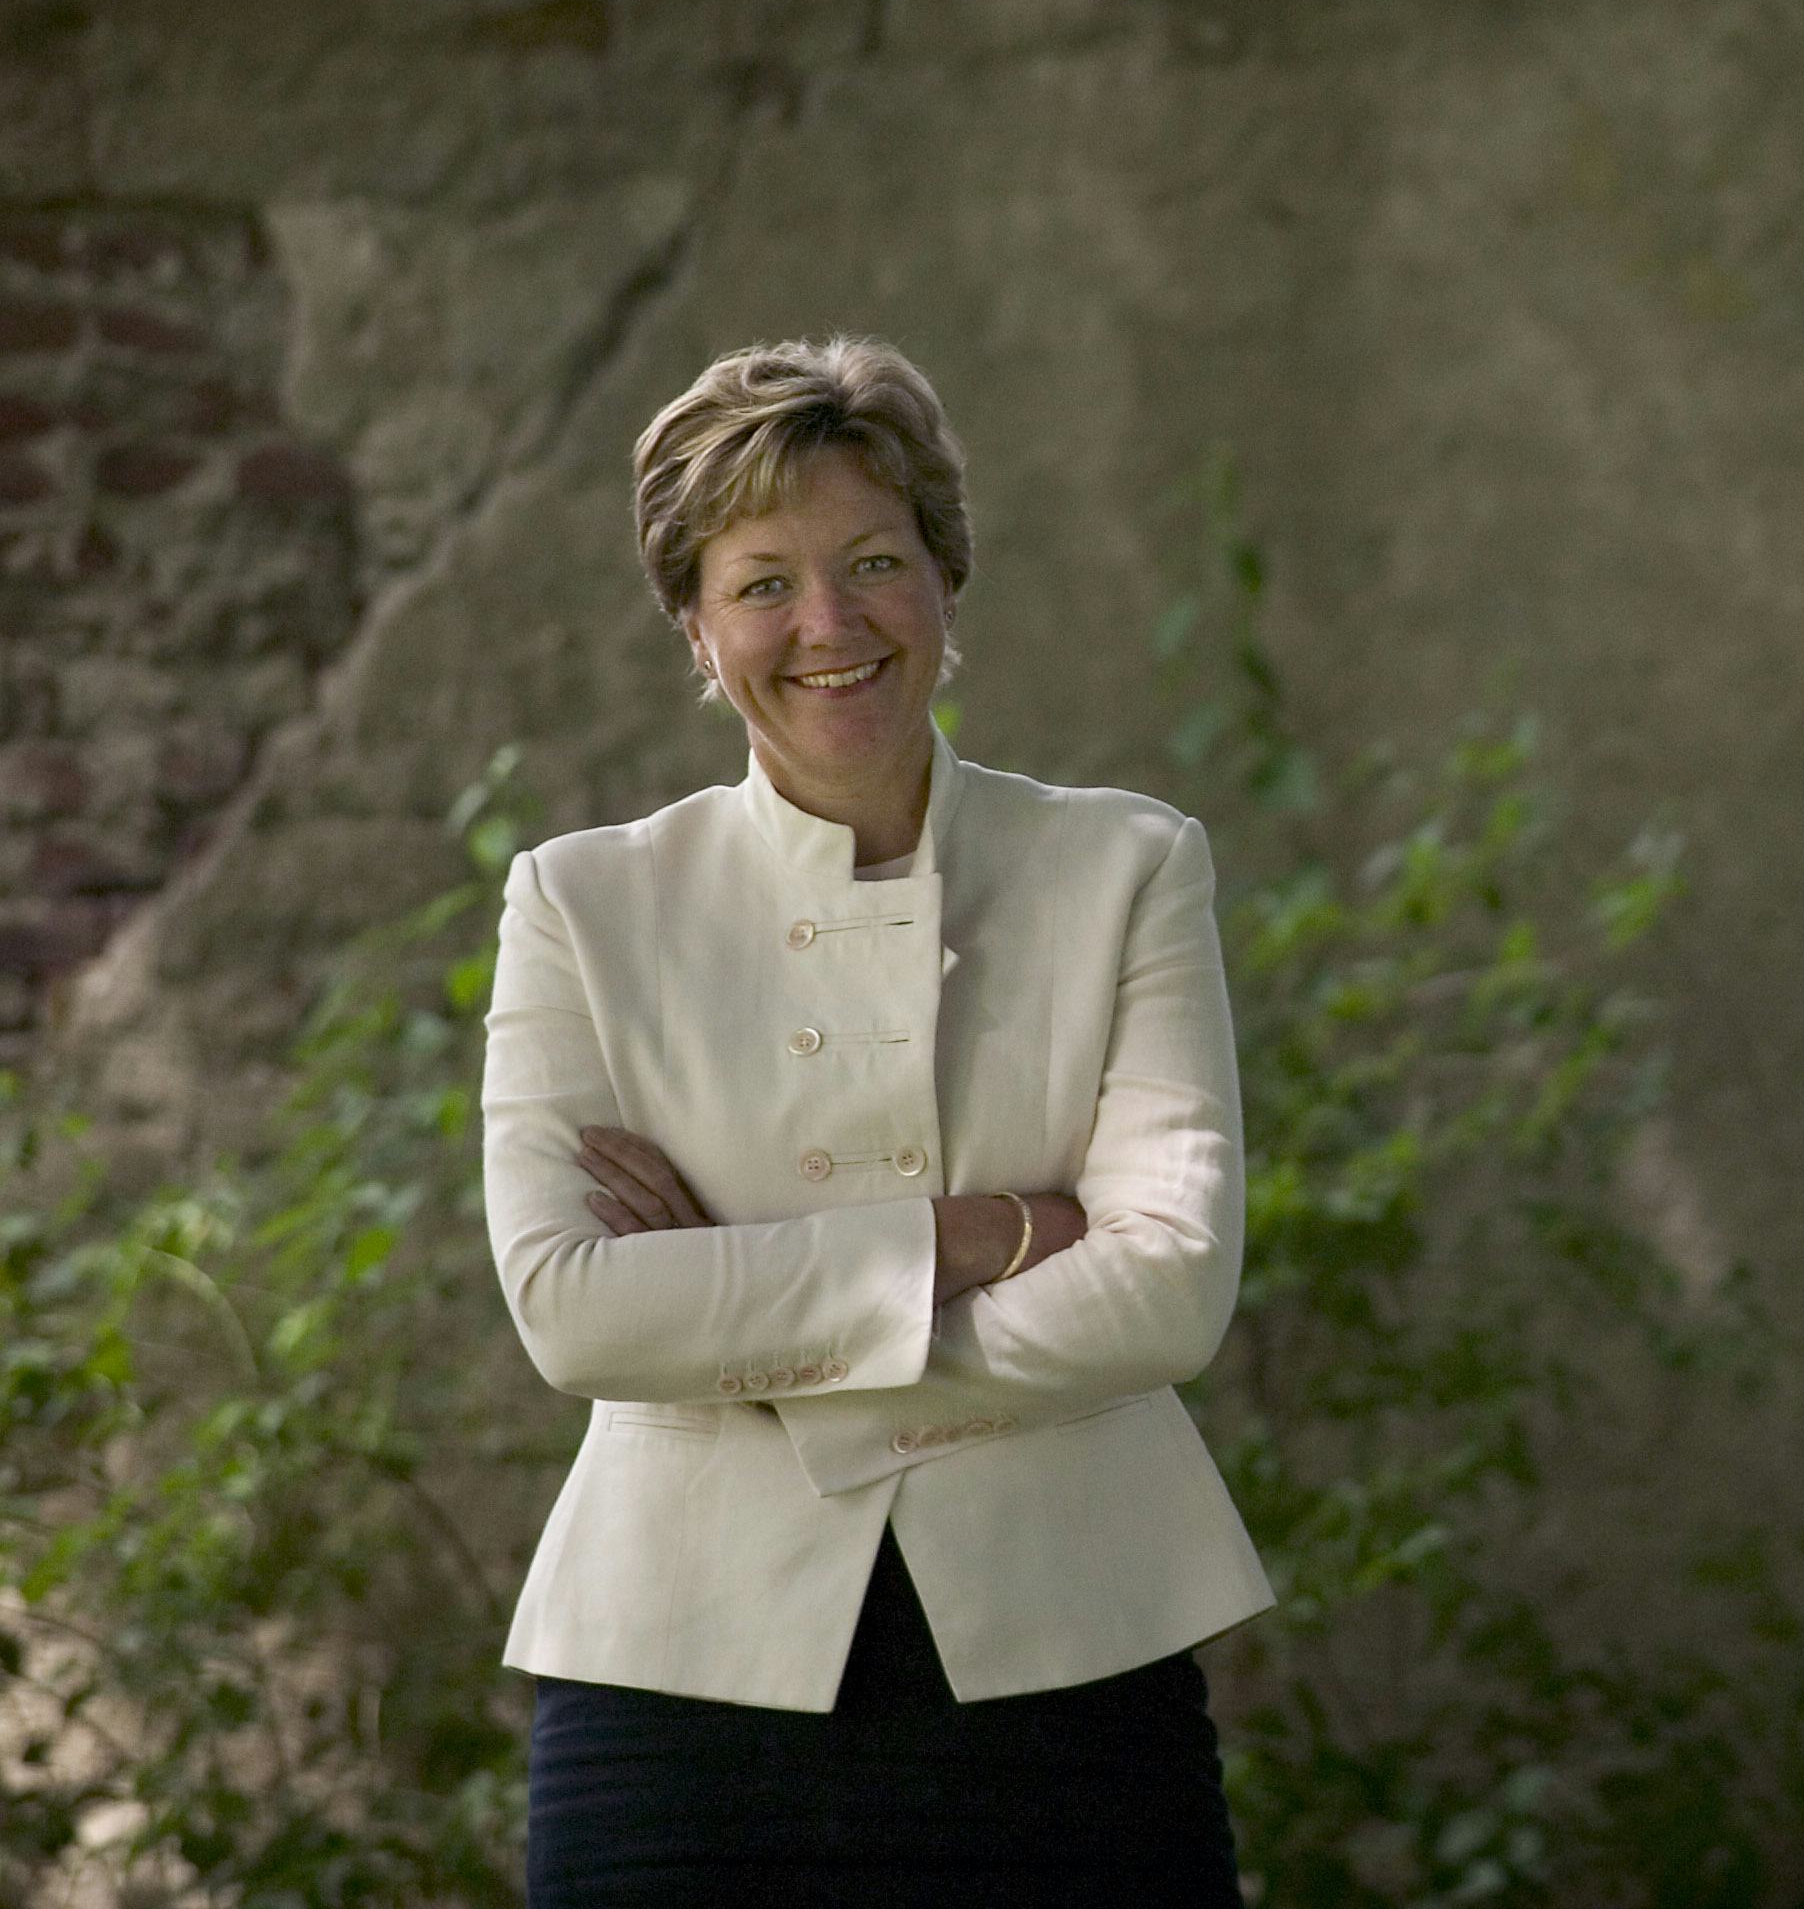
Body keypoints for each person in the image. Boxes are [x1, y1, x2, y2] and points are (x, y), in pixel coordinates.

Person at [480, 334, 1272, 1907]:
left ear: (946, 586)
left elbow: (1170, 1285)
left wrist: (739, 1310)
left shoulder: (1124, 867)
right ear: (697, 632)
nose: (826, 625)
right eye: (762, 582)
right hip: (677, 1692)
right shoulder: (583, 902)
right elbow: (573, 1315)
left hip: (1074, 1673)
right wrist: (977, 1240)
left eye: (872, 563)